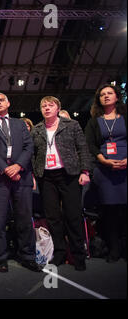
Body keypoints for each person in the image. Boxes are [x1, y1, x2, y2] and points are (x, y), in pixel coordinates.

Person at [0, 91, 40, 273]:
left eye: (1, 100)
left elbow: (29, 147)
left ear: (8, 103)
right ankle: (0, 258)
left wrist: (18, 166)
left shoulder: (20, 125)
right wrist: (6, 169)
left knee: (24, 218)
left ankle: (27, 256)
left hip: (21, 176)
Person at [32, 96, 92, 270]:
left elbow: (82, 147)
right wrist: (33, 175)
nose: (47, 108)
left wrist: (85, 171)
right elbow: (33, 154)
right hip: (46, 177)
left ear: (58, 108)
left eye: (51, 105)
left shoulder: (71, 125)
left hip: (69, 174)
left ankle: (78, 254)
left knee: (73, 215)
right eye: (44, 106)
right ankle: (59, 251)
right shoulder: (36, 129)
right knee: (52, 216)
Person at [85, 84, 127, 263]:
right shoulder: (94, 121)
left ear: (117, 97)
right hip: (105, 170)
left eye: (110, 93)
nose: (106, 96)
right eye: (102, 94)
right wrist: (103, 160)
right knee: (109, 212)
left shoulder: (125, 117)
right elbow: (91, 145)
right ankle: (114, 249)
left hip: (126, 168)